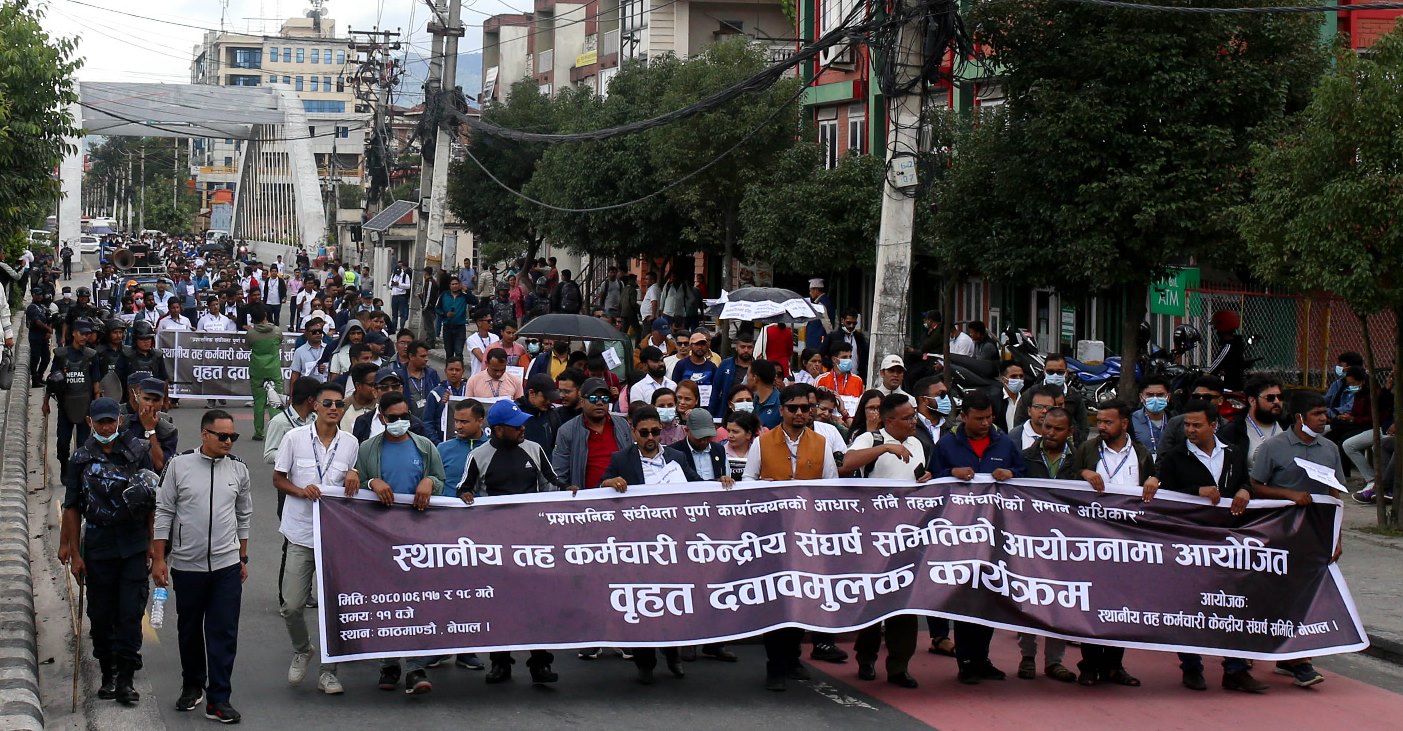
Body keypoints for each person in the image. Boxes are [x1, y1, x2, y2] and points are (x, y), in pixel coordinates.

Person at [1149, 398, 1265, 693]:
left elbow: (1245, 483)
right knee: (1190, 606)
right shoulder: (1175, 457)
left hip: (1228, 542)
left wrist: (1243, 490)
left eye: (1197, 425)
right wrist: (1194, 492)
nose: (1190, 430)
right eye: (1187, 424)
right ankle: (1191, 667)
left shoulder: (1235, 453)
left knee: (1233, 606)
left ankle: (1236, 669)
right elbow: (1163, 495)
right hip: (1189, 543)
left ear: (1213, 425)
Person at [455, 399, 569, 683]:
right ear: (499, 429)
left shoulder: (534, 449)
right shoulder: (479, 455)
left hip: (532, 542)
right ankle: (500, 662)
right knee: (501, 604)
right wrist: (466, 496)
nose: (523, 429)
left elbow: (552, 481)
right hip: (495, 543)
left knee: (537, 604)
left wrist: (570, 491)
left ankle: (540, 663)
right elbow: (463, 488)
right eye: (517, 425)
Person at [151, 410, 253, 723]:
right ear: (204, 434)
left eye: (232, 437)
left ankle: (219, 698)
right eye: (222, 436)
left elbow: (244, 516)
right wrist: (158, 559)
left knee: (223, 632)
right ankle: (192, 685)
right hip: (187, 565)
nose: (228, 442)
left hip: (226, 567)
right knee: (190, 629)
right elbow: (164, 513)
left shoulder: (239, 470)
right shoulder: (179, 466)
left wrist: (242, 557)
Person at [59, 397, 157, 707]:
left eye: (110, 421)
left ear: (118, 420)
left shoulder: (136, 453)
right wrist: (73, 551)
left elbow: (152, 502)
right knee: (101, 615)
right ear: (90, 422)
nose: (105, 427)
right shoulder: (80, 459)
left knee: (129, 613)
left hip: (132, 543)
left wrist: (154, 547)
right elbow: (72, 507)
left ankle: (126, 679)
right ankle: (107, 675)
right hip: (98, 545)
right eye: (99, 422)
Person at [741, 385, 839, 690]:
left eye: (804, 409)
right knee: (776, 600)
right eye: (793, 408)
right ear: (781, 410)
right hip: (772, 535)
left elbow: (831, 486)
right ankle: (776, 666)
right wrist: (763, 488)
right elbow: (747, 480)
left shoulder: (821, 443)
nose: (799, 414)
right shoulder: (762, 443)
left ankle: (793, 658)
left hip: (808, 536)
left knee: (802, 599)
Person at [1246, 390, 1343, 688]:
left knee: (1305, 596)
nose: (1324, 419)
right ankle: (1247, 647)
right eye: (1317, 414)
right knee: (1271, 594)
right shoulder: (1272, 448)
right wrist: (1288, 495)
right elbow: (1255, 486)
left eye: (1325, 414)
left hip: (1314, 534)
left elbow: (1336, 493)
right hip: (1277, 533)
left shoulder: (1330, 449)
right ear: (1299, 417)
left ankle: (1298, 659)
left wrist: (1336, 536)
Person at [355, 392, 446, 694]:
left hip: (417, 536)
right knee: (386, 601)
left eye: (404, 416)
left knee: (417, 600)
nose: (399, 423)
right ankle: (389, 665)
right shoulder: (368, 449)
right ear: (381, 418)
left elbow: (440, 478)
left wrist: (429, 482)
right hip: (378, 536)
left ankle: (415, 667)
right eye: (392, 418)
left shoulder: (425, 446)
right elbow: (354, 480)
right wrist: (371, 482)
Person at [932, 390, 1026, 685]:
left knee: (989, 596)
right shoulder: (947, 444)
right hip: (959, 533)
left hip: (996, 533)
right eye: (979, 418)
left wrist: (1010, 473)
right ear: (964, 416)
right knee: (965, 598)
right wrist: (951, 472)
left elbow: (1025, 476)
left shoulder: (1005, 443)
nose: (985, 423)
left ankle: (982, 658)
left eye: (989, 418)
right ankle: (967, 661)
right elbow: (931, 481)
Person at [272, 385, 359, 696]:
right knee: (292, 605)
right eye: (328, 403)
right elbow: (278, 478)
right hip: (300, 533)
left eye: (339, 403)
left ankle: (328, 672)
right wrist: (300, 491)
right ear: (316, 406)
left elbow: (351, 478)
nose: (334, 408)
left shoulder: (350, 443)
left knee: (333, 608)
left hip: (336, 538)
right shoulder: (294, 438)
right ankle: (302, 649)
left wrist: (356, 472)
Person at [843, 394, 931, 689]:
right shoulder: (870, 438)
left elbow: (915, 475)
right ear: (888, 420)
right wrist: (883, 448)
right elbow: (847, 464)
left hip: (909, 534)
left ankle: (899, 665)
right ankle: (866, 658)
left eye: (914, 416)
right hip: (874, 534)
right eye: (907, 418)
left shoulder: (917, 443)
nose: (913, 422)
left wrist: (926, 479)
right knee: (874, 598)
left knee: (906, 603)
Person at [1068, 400, 1155, 687]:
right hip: (1092, 540)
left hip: (1130, 543)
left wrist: (1156, 481)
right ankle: (1089, 665)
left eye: (1107, 422)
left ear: (1124, 424)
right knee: (1092, 604)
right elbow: (1062, 483)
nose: (1101, 427)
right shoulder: (1087, 450)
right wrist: (1082, 473)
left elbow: (1155, 494)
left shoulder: (1142, 454)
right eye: (1099, 422)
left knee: (1123, 605)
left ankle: (1115, 665)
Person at [551, 377, 635, 489]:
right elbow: (559, 474)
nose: (600, 403)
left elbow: (633, 461)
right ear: (582, 401)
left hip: (623, 493)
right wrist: (567, 490)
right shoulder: (567, 431)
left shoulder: (622, 425)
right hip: (587, 499)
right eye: (594, 398)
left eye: (604, 398)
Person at [45, 319, 101, 481]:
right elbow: (52, 380)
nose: (85, 337)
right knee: (63, 443)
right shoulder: (62, 355)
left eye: (88, 334)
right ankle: (64, 467)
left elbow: (96, 383)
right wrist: (45, 402)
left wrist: (96, 406)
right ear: (74, 333)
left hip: (85, 406)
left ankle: (80, 472)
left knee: (84, 444)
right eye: (82, 333)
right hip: (65, 405)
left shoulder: (92, 356)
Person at [1220, 375, 1285, 468]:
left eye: (1280, 397)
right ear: (1252, 401)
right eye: (1270, 398)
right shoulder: (1233, 431)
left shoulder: (1289, 427)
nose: (1277, 401)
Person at [244, 305, 283, 441]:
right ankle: (276, 431)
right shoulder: (277, 331)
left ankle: (259, 432)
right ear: (265, 316)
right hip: (274, 369)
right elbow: (280, 341)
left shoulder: (251, 334)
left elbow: (247, 345)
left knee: (259, 402)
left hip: (257, 369)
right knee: (275, 401)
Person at [438, 399, 487, 491]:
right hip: (448, 504)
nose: (458, 426)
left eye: (464, 422)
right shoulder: (442, 449)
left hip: (482, 504)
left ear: (480, 422)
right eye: (456, 421)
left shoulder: (492, 449)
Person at [815, 342, 865, 424]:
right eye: (844, 357)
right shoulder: (821, 380)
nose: (848, 360)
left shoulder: (858, 380)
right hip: (828, 424)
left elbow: (860, 408)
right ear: (834, 359)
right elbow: (815, 408)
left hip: (851, 425)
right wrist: (835, 419)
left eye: (850, 357)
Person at [424, 357, 469, 443]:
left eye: (457, 370)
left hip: (466, 441)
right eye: (451, 369)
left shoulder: (469, 390)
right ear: (445, 371)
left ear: (463, 371)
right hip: (443, 441)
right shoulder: (435, 393)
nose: (454, 373)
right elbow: (427, 422)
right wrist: (437, 442)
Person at [711, 331, 756, 415]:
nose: (746, 350)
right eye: (742, 347)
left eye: (749, 347)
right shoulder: (725, 364)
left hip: (750, 410)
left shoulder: (757, 367)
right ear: (736, 347)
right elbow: (716, 390)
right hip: (726, 410)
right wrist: (711, 413)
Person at [1129, 375, 1173, 459]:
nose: (1155, 399)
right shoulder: (1130, 420)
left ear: (1168, 397)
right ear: (1141, 397)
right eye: (1150, 395)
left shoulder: (1175, 421)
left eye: (1160, 395)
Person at [397, 340, 442, 420]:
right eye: (422, 356)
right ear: (411, 356)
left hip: (429, 423)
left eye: (427, 356)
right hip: (409, 422)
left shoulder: (432, 374)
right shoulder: (399, 376)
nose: (426, 359)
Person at [518, 373, 563, 454]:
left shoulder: (552, 416)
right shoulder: (516, 415)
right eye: (545, 397)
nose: (548, 401)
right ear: (532, 393)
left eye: (550, 398)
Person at [821, 309, 869, 380]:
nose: (851, 326)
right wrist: (833, 364)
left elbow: (865, 357)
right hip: (837, 377)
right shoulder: (832, 337)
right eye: (848, 323)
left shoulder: (860, 337)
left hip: (857, 376)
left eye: (854, 323)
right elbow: (820, 355)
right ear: (842, 320)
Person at [438, 277, 471, 360]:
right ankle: (449, 371)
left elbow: (475, 301)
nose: (455, 286)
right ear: (449, 286)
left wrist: (467, 290)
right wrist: (445, 314)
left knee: (459, 352)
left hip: (460, 328)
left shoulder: (464, 296)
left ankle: (459, 370)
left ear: (459, 285)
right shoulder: (444, 295)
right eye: (453, 284)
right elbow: (437, 309)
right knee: (449, 353)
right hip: (447, 327)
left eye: (456, 284)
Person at [722, 411, 760, 479]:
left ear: (748, 434)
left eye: (735, 432)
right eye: (728, 431)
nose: (729, 435)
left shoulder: (759, 451)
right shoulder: (720, 451)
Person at [803, 278, 835, 351]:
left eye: (811, 290)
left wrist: (829, 340)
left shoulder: (821, 304)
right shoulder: (826, 301)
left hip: (818, 342)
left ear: (816, 290)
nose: (810, 293)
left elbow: (827, 324)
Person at [993, 361, 1025, 434]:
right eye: (1013, 376)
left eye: (1021, 376)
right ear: (1002, 379)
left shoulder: (1027, 400)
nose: (1018, 379)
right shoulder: (994, 401)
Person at [418, 267, 441, 348]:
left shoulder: (430, 282)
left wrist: (425, 306)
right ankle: (429, 340)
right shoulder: (429, 282)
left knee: (429, 326)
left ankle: (430, 342)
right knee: (427, 326)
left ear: (426, 273)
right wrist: (421, 297)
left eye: (424, 273)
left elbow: (428, 295)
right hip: (428, 306)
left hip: (429, 307)